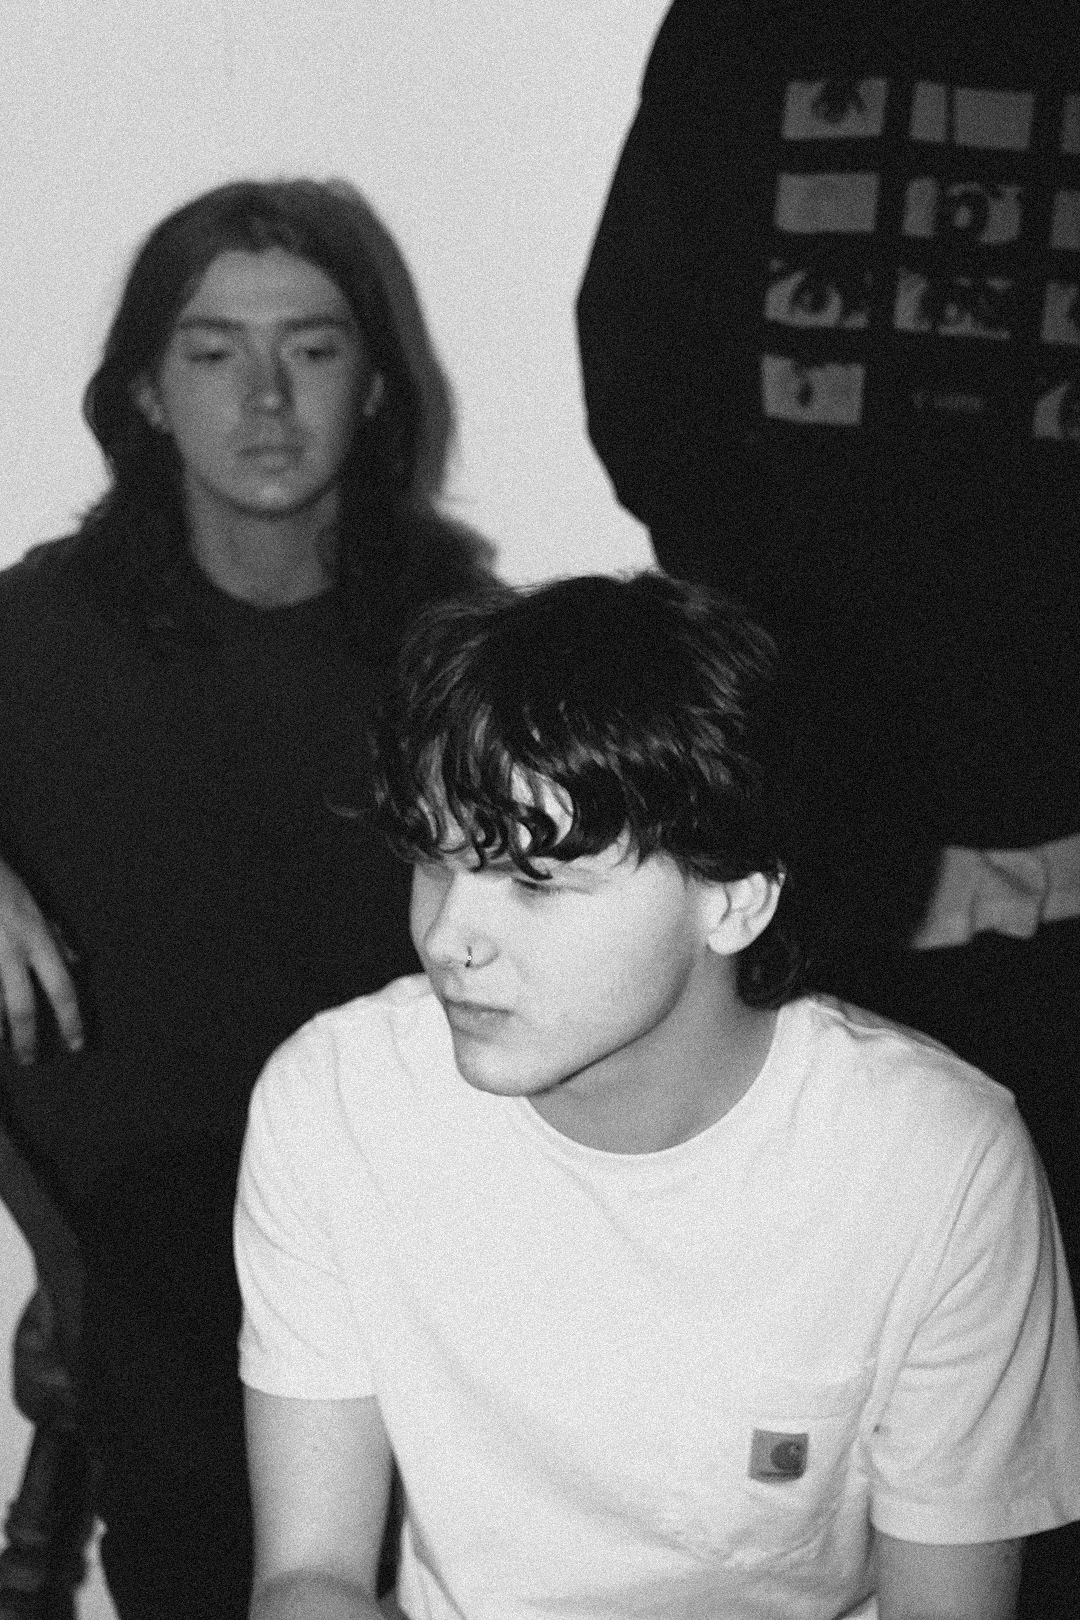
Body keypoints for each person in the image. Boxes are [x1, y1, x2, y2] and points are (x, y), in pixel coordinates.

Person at [236, 571, 1080, 1620]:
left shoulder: (937, 1163)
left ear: (733, 898)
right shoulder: (336, 1100)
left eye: (535, 882)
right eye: (435, 861)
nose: (451, 936)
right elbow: (308, 1577)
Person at [575, 9, 1080, 1605]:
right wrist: (791, 710)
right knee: (795, 1366)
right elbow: (644, 366)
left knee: (1045, 1415)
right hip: (805, 837)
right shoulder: (747, 26)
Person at [0, 177, 489, 1620]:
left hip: (416, 1174)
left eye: (314, 350)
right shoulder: (40, 631)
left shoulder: (464, 648)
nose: (265, 399)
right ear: (146, 392)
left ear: (378, 386)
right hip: (150, 1197)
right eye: (213, 354)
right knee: (201, 1316)